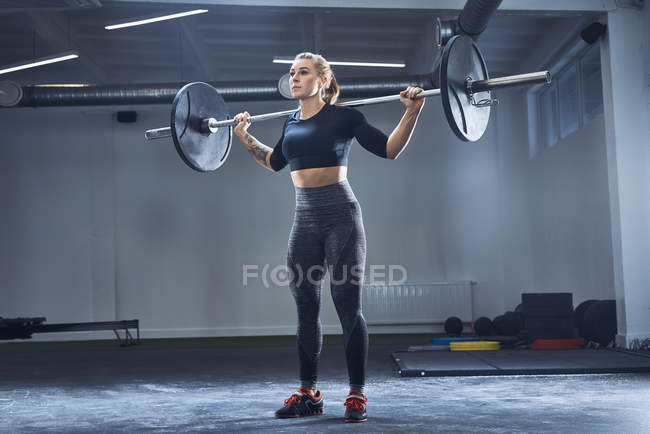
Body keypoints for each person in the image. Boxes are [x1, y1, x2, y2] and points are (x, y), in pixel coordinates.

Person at [233, 52, 424, 423]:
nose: (295, 78)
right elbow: (273, 162)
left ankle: (356, 394)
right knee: (306, 307)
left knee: (346, 305)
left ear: (323, 80)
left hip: (341, 217)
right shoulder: (289, 124)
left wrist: (412, 111)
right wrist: (243, 137)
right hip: (304, 218)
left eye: (303, 72)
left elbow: (390, 150)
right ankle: (309, 393)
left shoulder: (344, 117)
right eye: (291, 73)